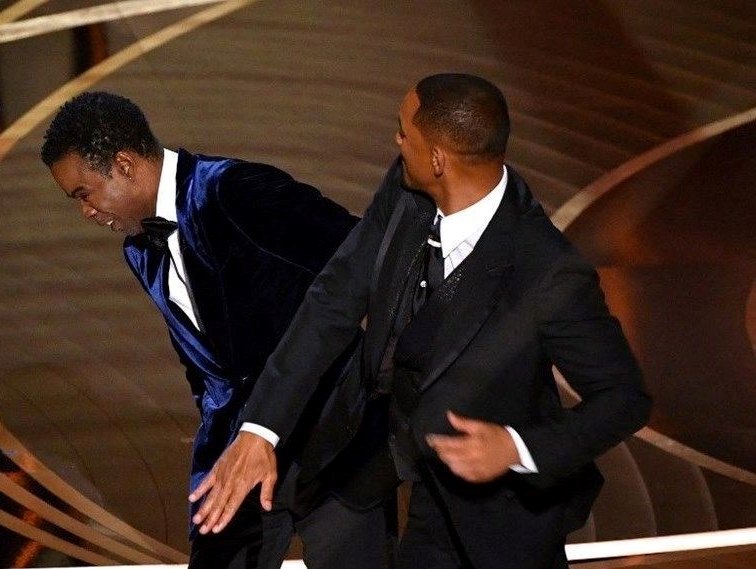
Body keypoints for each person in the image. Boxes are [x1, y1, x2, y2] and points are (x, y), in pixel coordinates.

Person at [190, 74, 652, 569]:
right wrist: (260, 429)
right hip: (390, 455)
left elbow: (624, 398)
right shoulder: (407, 188)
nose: (396, 141)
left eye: (403, 132)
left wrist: (516, 448)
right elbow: (333, 301)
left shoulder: (548, 272)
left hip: (496, 513)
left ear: (437, 159)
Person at [41, 92, 391, 569]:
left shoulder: (234, 191)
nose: (86, 211)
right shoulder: (140, 250)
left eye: (84, 194)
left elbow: (362, 255)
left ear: (123, 164)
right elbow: (200, 360)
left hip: (335, 441)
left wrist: (389, 369)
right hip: (236, 452)